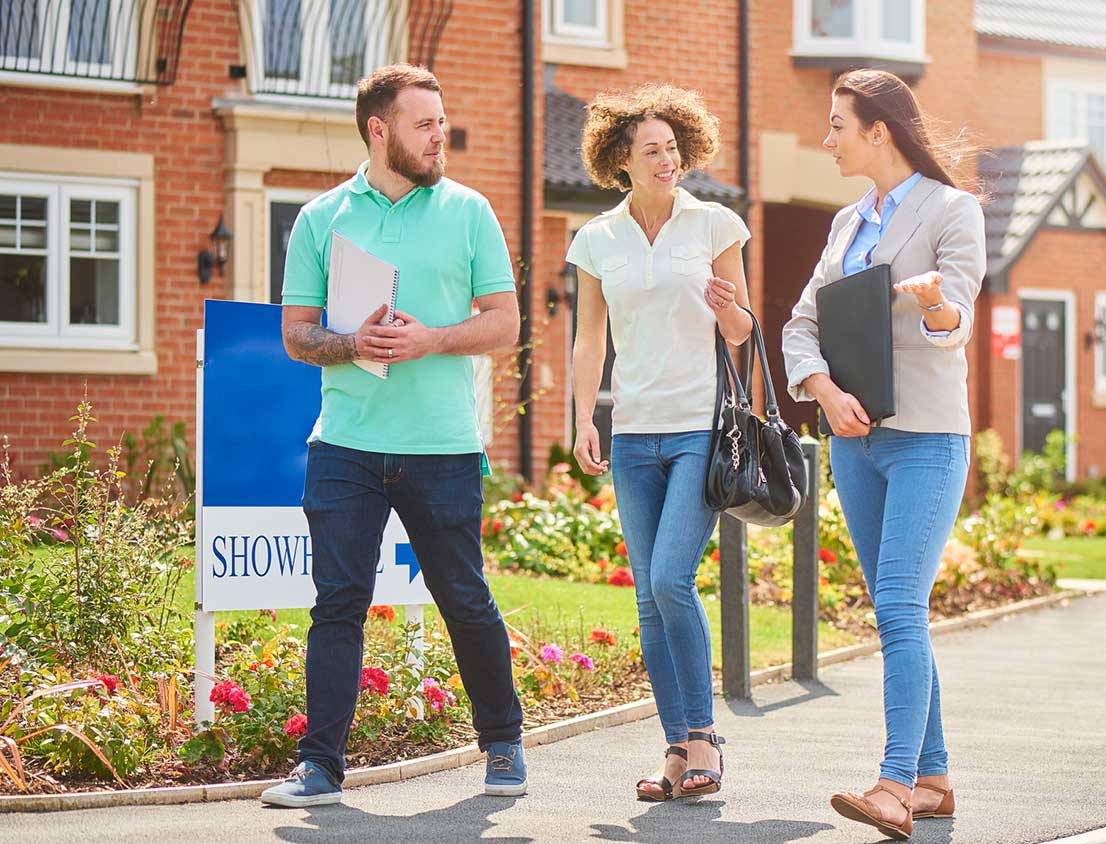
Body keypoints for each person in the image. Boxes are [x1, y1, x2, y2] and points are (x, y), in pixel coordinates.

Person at [260, 63, 527, 808]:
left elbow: (505, 323)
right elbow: (296, 335)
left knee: (463, 597)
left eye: (441, 122)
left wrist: (432, 338)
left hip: (441, 445)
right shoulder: (321, 219)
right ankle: (320, 767)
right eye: (424, 124)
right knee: (337, 603)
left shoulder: (470, 211)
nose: (440, 135)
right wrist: (352, 345)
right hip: (344, 441)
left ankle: (503, 744)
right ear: (379, 131)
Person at [781, 68, 985, 840]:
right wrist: (825, 393)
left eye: (838, 125)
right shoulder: (844, 224)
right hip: (855, 442)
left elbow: (957, 318)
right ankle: (933, 777)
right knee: (894, 608)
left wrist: (933, 300)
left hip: (927, 437)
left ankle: (894, 785)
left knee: (900, 603)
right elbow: (802, 324)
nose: (827, 139)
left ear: (880, 130)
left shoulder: (951, 210)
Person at [566, 83, 752, 801]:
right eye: (652, 151)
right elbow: (589, 337)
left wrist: (729, 309)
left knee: (672, 577)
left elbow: (742, 333)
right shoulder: (596, 239)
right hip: (634, 432)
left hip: (699, 427)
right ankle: (677, 751)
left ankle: (705, 737)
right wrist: (585, 416)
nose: (667, 160)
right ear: (622, 160)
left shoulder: (714, 225)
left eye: (673, 148)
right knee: (647, 597)